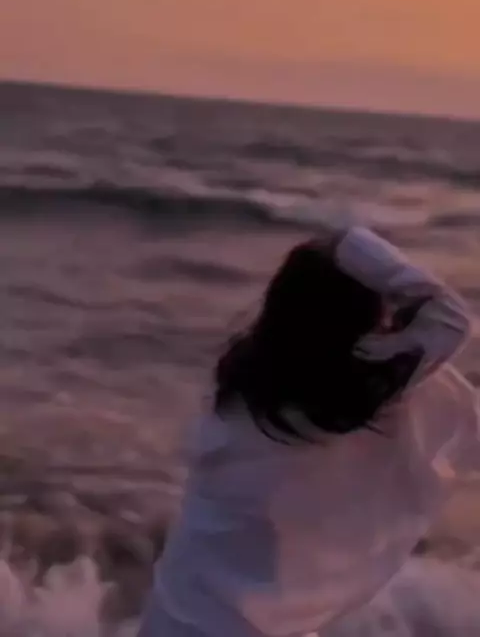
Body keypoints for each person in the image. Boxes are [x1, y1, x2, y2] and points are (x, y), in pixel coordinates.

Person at [139, 225, 477, 637]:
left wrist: (337, 248)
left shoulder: (237, 383)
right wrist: (350, 240)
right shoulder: (359, 395)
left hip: (178, 613)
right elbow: (450, 318)